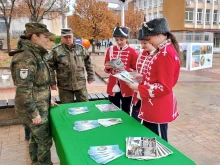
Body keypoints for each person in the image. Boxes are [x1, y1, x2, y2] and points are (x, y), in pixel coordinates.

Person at [127, 18, 181, 141]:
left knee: (158, 141)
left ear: (157, 35)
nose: (149, 42)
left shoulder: (165, 53)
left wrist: (138, 88)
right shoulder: (163, 51)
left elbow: (164, 87)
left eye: (149, 39)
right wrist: (143, 77)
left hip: (158, 106)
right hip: (154, 104)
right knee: (150, 139)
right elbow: (159, 76)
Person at [10, 23, 54, 164]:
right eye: (45, 37)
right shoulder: (26, 58)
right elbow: (24, 90)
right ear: (34, 36)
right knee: (44, 143)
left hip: (39, 105)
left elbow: (38, 85)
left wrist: (47, 100)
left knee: (36, 140)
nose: (48, 40)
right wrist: (34, 113)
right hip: (34, 109)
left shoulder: (35, 53)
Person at [47, 28, 95, 103]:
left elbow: (88, 62)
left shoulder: (80, 48)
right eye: (65, 37)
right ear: (61, 38)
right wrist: (52, 83)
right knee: (67, 108)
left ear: (73, 37)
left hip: (80, 84)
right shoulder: (56, 50)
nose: (68, 39)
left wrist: (91, 76)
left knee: (85, 106)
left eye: (70, 37)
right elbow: (49, 67)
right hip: (65, 86)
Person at [104, 26, 138, 114]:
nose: (119, 42)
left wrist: (125, 69)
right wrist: (108, 68)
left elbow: (136, 69)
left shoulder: (133, 51)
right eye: (117, 39)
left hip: (127, 85)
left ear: (126, 38)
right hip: (113, 84)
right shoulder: (110, 50)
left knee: (125, 111)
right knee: (112, 110)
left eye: (121, 39)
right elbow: (106, 67)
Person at [130, 29, 157, 122]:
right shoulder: (141, 53)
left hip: (149, 93)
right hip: (138, 91)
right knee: (134, 119)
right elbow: (138, 68)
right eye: (141, 43)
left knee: (148, 122)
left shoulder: (159, 56)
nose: (142, 46)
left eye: (145, 43)